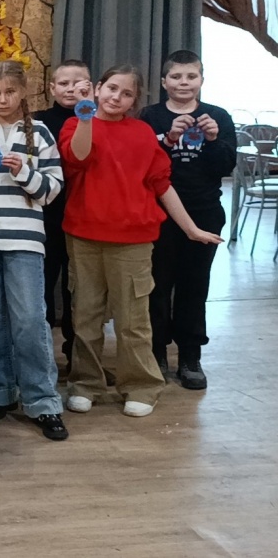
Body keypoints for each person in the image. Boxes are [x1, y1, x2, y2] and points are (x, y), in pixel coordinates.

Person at [59, 65, 224, 418]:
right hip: (84, 238)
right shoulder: (76, 124)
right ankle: (85, 383)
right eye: (111, 88)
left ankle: (141, 385)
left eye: (127, 94)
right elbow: (78, 157)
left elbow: (161, 184)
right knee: (85, 317)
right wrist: (86, 115)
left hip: (133, 241)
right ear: (98, 88)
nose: (116, 97)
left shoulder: (142, 133)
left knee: (133, 321)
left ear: (135, 101)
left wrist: (191, 229)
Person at [0, 60, 68, 441]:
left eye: (9, 92)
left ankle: (43, 400)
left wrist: (24, 171)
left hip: (24, 241)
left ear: (23, 92)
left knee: (29, 320)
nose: (3, 99)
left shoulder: (40, 133)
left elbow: (51, 190)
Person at [139, 50, 236, 389]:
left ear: (201, 80)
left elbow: (225, 167)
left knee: (195, 285)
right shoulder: (150, 116)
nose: (184, 83)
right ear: (164, 81)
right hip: (159, 213)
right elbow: (142, 163)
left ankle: (191, 356)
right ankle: (156, 353)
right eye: (176, 76)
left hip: (205, 211)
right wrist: (167, 139)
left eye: (191, 76)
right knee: (157, 284)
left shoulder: (218, 116)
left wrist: (212, 140)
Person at [34, 60, 92, 369]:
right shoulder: (38, 122)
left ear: (91, 86)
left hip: (86, 217)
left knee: (80, 293)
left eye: (78, 83)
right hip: (45, 219)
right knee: (41, 288)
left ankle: (78, 358)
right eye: (64, 83)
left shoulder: (99, 118)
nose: (71, 89)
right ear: (52, 88)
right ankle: (42, 360)